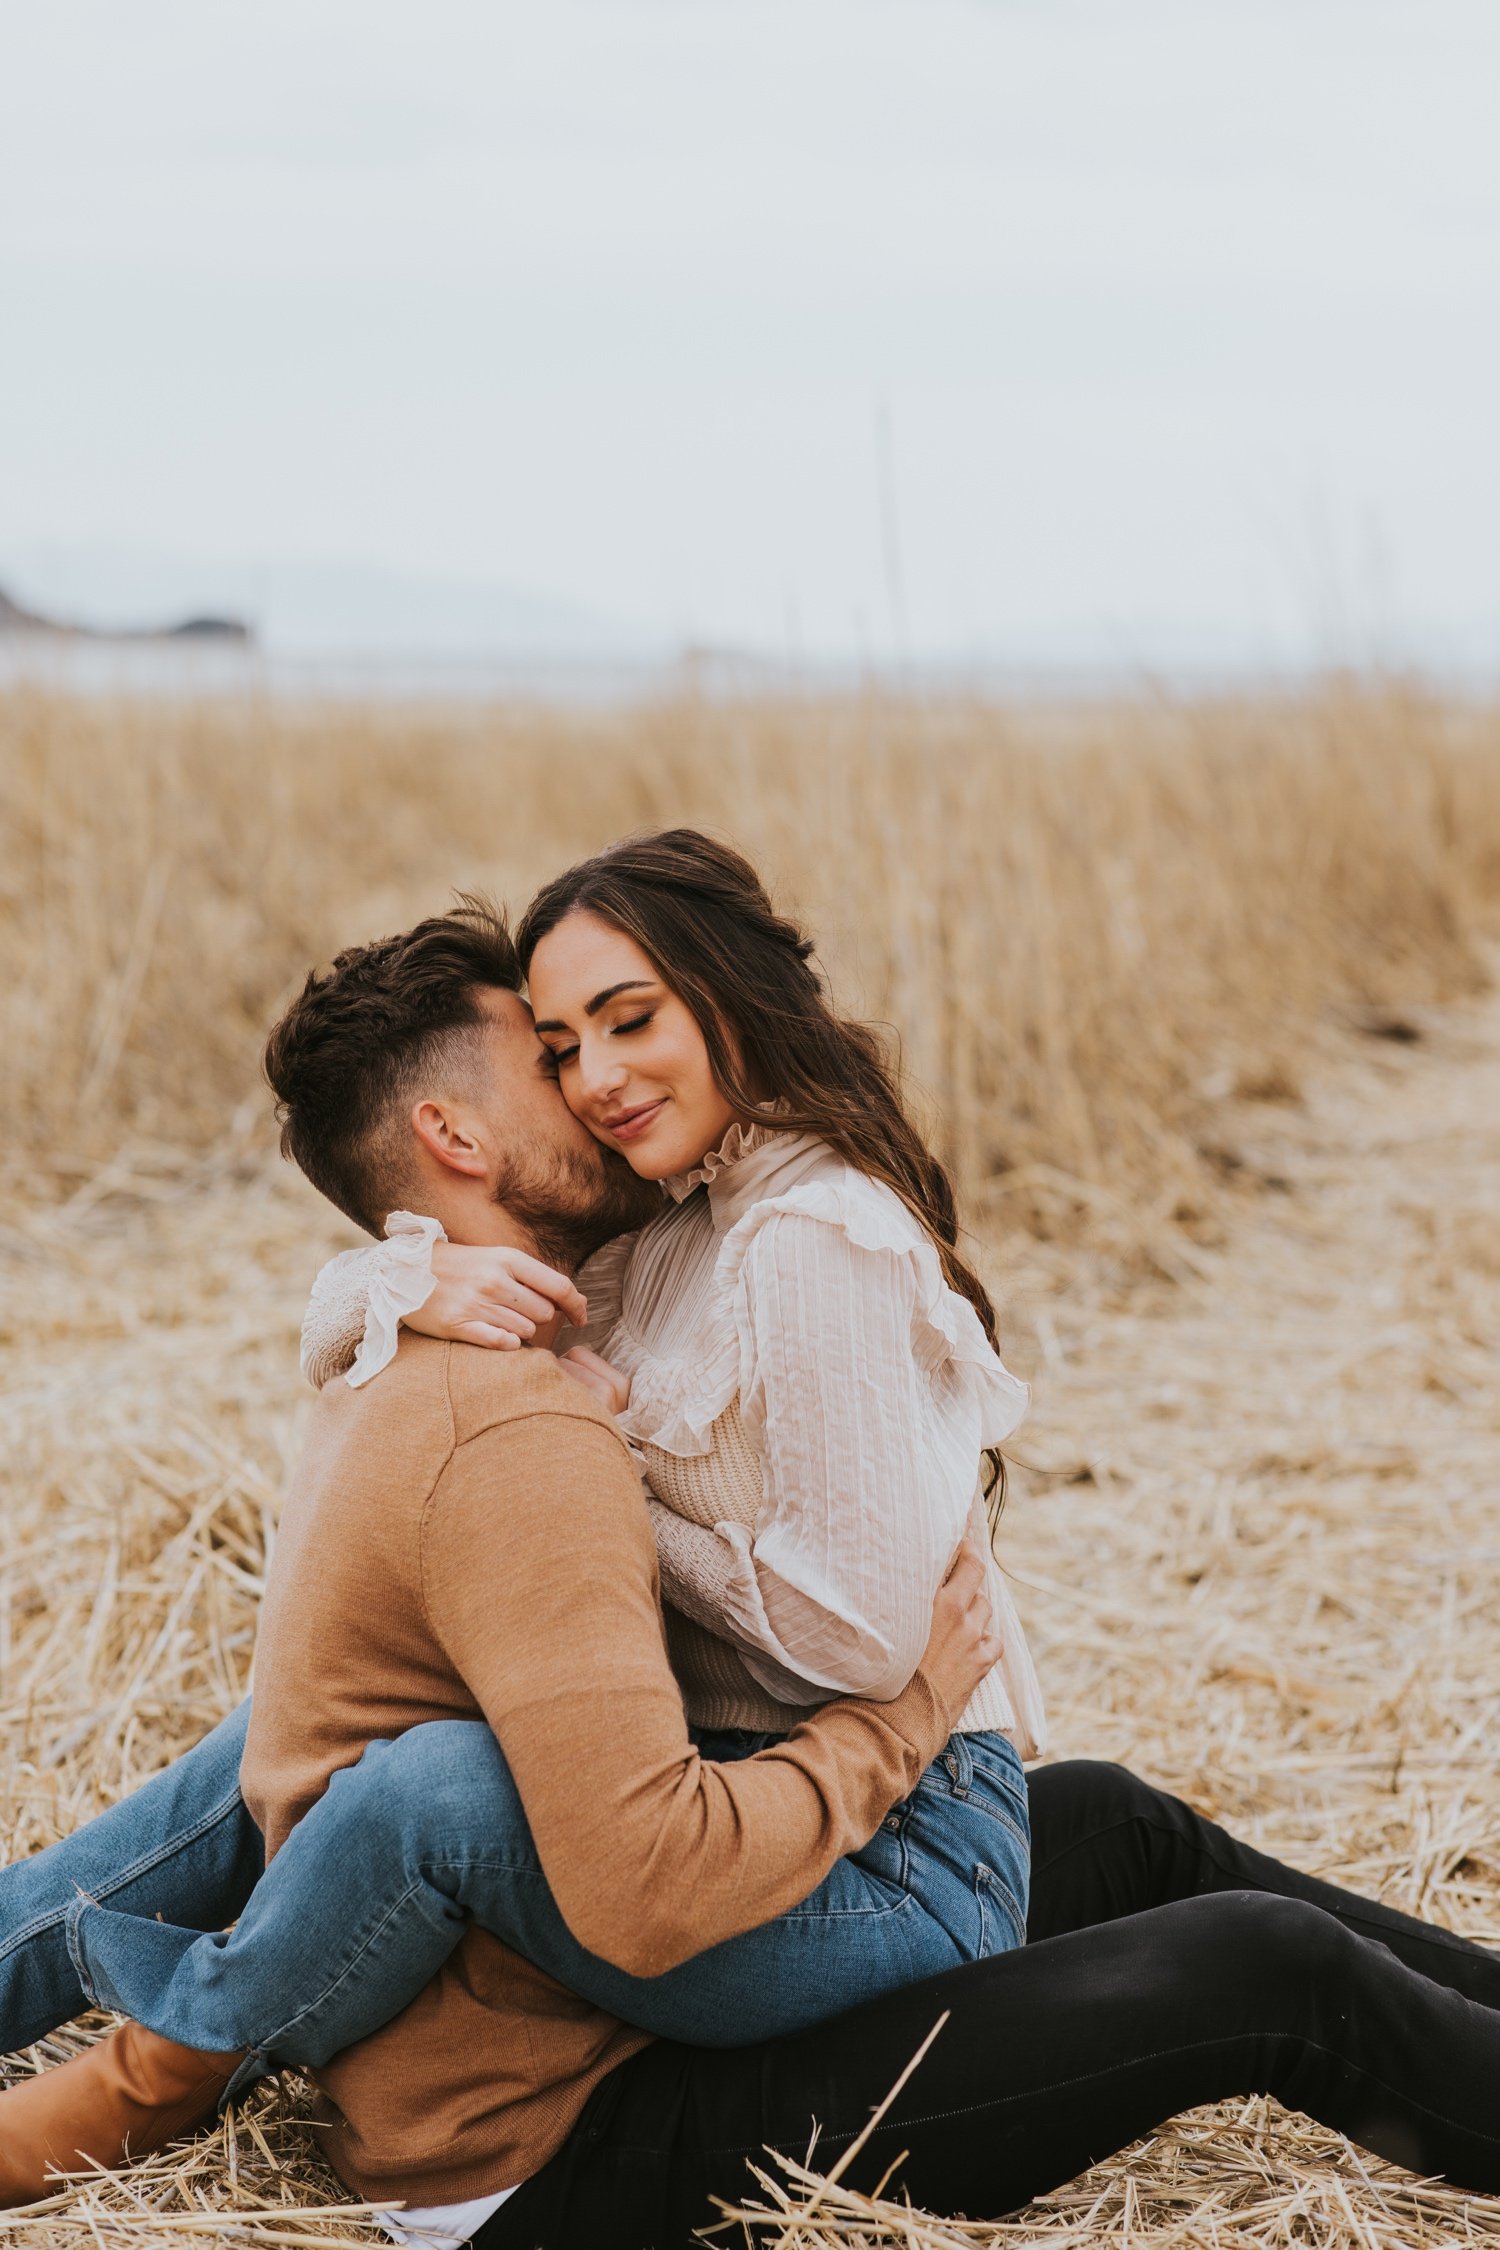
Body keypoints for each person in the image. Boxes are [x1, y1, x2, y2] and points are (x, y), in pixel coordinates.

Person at [8, 846, 1500, 2243]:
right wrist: (905, 1719)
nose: (590, 1083)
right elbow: (655, 1882)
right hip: (578, 2138)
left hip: (584, 2015)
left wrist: (374, 1276)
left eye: (613, 1029)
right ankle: (169, 2057)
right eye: (552, 1053)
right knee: (1262, 1965)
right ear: (453, 1136)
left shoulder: (445, 1330)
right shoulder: (524, 1421)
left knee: (1117, 1821)